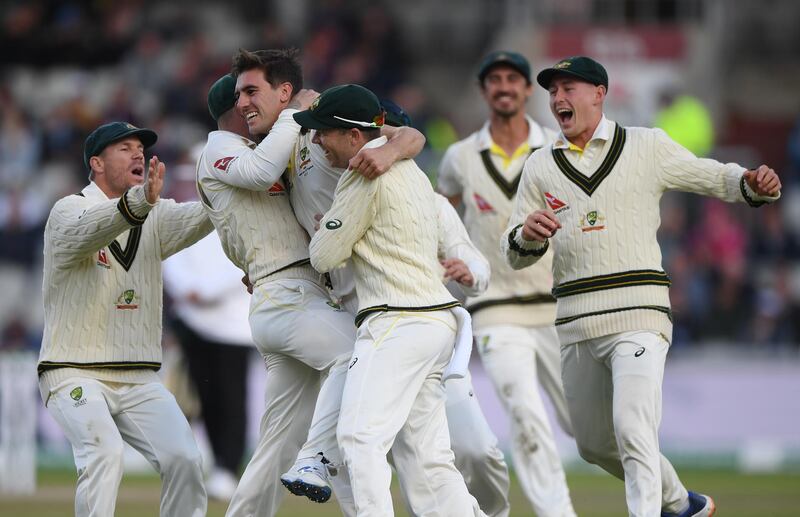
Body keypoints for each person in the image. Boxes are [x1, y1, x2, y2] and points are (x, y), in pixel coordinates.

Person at [502, 55, 781, 517]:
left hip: (639, 314)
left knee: (633, 429)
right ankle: (680, 503)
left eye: (569, 88)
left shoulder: (645, 145)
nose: (557, 99)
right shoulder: (540, 167)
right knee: (593, 444)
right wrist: (526, 235)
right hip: (574, 323)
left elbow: (708, 174)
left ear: (599, 93)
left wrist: (748, 183)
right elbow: (514, 252)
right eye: (552, 91)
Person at [283, 95, 509, 517]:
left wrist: (325, 227)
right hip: (435, 323)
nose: (316, 140)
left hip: (394, 321)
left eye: (323, 132)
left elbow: (324, 256)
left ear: (354, 135)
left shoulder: (361, 175)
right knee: (428, 463)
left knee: (358, 437)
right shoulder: (416, 177)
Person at [37, 121, 213, 516]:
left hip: (138, 376)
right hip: (72, 370)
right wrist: (140, 204)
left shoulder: (157, 214)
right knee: (105, 451)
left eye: (140, 148)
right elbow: (89, 232)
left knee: (185, 459)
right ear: (96, 163)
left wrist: (229, 184)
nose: (138, 154)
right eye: (124, 148)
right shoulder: (67, 210)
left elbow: (208, 215)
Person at [438, 50, 576, 517]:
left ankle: (668, 497)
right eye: (494, 79)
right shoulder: (460, 157)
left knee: (586, 427)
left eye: (512, 79)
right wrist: (448, 258)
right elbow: (439, 217)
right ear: (484, 90)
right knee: (525, 415)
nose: (503, 86)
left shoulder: (558, 149)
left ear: (526, 89)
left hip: (559, 304)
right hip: (495, 305)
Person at [162, 177, 254, 501]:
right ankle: (217, 465)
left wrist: (204, 292)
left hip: (233, 325)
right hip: (193, 321)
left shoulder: (241, 214)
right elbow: (170, 255)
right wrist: (189, 291)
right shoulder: (185, 214)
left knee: (232, 400)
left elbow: (245, 262)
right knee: (204, 399)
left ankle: (228, 468)